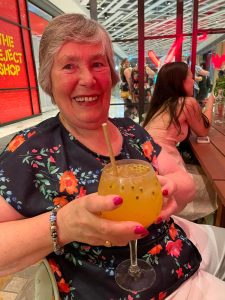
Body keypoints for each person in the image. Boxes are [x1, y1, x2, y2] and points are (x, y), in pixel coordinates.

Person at [0, 14, 225, 300]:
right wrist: (63, 225)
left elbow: (183, 183)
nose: (88, 78)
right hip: (143, 290)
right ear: (48, 80)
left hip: (179, 245)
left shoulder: (130, 130)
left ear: (111, 74)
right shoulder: (31, 151)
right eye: (69, 66)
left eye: (98, 64)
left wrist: (174, 189)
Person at [143, 62, 217, 222]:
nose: (194, 82)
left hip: (150, 163)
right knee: (215, 184)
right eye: (191, 78)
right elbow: (203, 130)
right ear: (181, 82)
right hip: (164, 164)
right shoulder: (186, 102)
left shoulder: (162, 105)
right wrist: (211, 101)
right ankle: (206, 225)